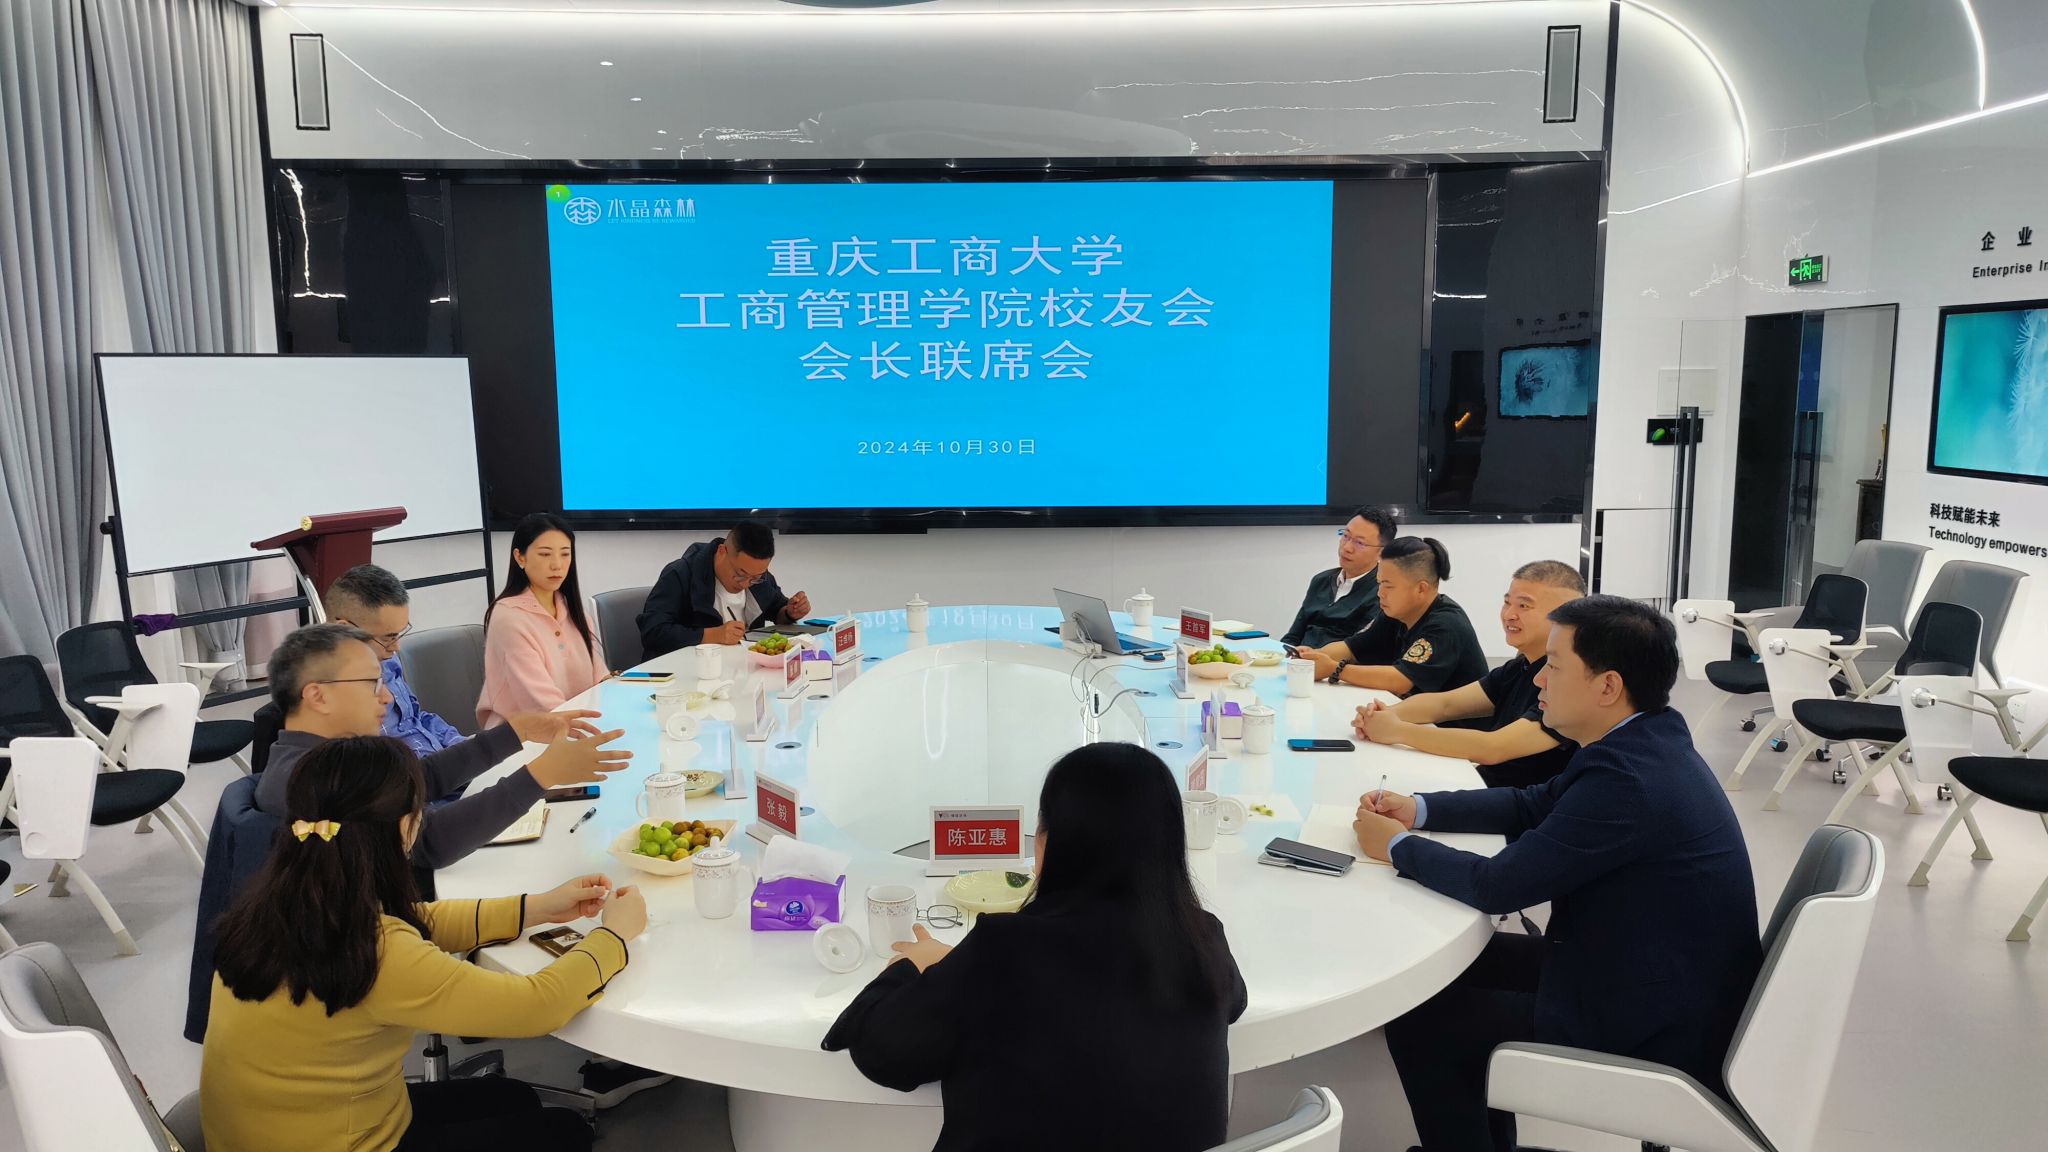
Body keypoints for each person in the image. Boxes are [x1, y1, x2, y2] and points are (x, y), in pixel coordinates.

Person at [1350, 595, 1762, 1152]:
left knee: (1424, 1022)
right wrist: (1418, 808)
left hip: (1653, 1017)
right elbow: (1531, 803)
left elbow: (1498, 885)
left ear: (1608, 686)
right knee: (1444, 971)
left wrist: (1397, 848)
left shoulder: (1629, 781)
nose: (1539, 679)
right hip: (1642, 967)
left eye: (1556, 666)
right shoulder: (1643, 738)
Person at [202, 736, 647, 1152]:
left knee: (512, 1098)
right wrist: (614, 937)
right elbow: (538, 1006)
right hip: (350, 1141)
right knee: (564, 1131)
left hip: (283, 1130)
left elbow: (416, 920)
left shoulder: (277, 903)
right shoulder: (380, 953)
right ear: (405, 827)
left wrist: (536, 908)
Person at [822, 742, 1247, 1152]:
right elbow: (1228, 1003)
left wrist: (916, 966)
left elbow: (883, 1052)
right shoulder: (1203, 941)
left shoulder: (1004, 951)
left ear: (1048, 840)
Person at [257, 623, 630, 870]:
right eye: (372, 684)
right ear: (317, 696)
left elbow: (420, 778)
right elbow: (429, 843)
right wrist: (542, 774)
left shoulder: (323, 757)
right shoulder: (311, 779)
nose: (387, 697)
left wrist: (517, 731)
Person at [1353, 559, 1586, 788]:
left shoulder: (1571, 684)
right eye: (1507, 603)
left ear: (1563, 617)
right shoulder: (1520, 666)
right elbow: (1445, 704)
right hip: (1483, 785)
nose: (1509, 614)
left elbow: (1493, 748)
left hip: (1515, 804)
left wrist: (1397, 730)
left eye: (1524, 606)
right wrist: (1383, 715)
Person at [1294, 537, 1486, 697]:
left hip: (1453, 726)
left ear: (1421, 589)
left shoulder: (1445, 624)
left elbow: (1401, 680)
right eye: (1379, 584)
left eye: (1388, 586)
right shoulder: (1397, 613)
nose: (1380, 593)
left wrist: (1334, 669)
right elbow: (1352, 648)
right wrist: (1313, 657)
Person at [478, 513, 609, 728]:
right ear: (520, 557)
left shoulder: (572, 609)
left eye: (565, 554)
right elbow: (540, 702)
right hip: (523, 736)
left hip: (577, 726)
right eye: (545, 554)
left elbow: (599, 677)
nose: (557, 565)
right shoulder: (508, 617)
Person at [323, 564, 462, 756]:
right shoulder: (331, 694)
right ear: (345, 630)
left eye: (398, 634)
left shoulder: (387, 660)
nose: (396, 647)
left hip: (439, 763)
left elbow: (415, 719)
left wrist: (462, 746)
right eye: (388, 637)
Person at [638, 520, 812, 658]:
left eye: (756, 577)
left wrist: (790, 612)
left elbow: (776, 609)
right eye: (740, 574)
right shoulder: (680, 574)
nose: (746, 584)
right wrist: (713, 635)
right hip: (687, 672)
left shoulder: (757, 577)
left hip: (741, 668)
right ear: (722, 552)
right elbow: (653, 632)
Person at [1282, 505, 1396, 648]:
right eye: (1346, 536)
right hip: (1298, 659)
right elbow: (1293, 637)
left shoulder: (1381, 592)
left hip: (1334, 661)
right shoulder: (1321, 580)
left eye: (1360, 543)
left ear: (1382, 552)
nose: (1347, 547)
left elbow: (1360, 649)